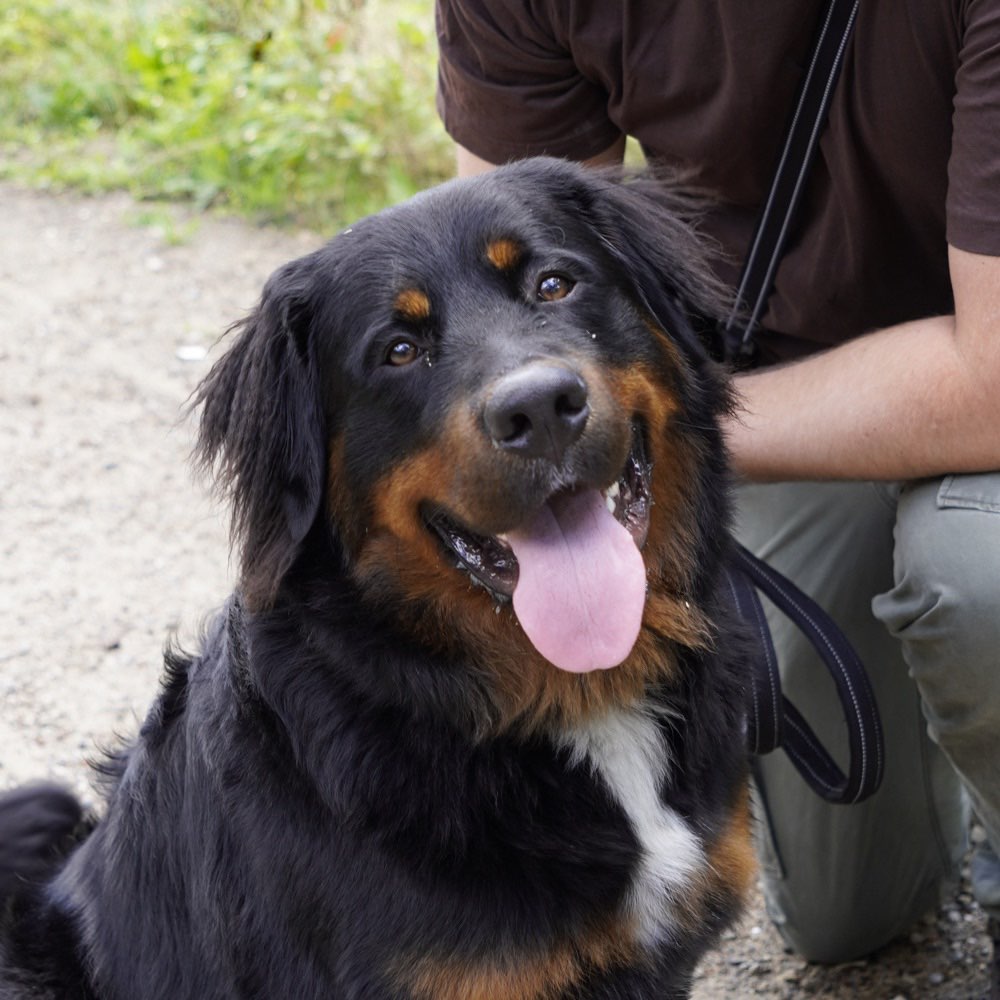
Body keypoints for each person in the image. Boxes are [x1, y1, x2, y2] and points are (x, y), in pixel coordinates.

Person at [434, 0, 1000, 990]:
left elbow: (994, 382)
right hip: (794, 402)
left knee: (975, 581)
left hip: (975, 389)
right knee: (847, 916)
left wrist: (663, 427)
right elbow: (500, 297)